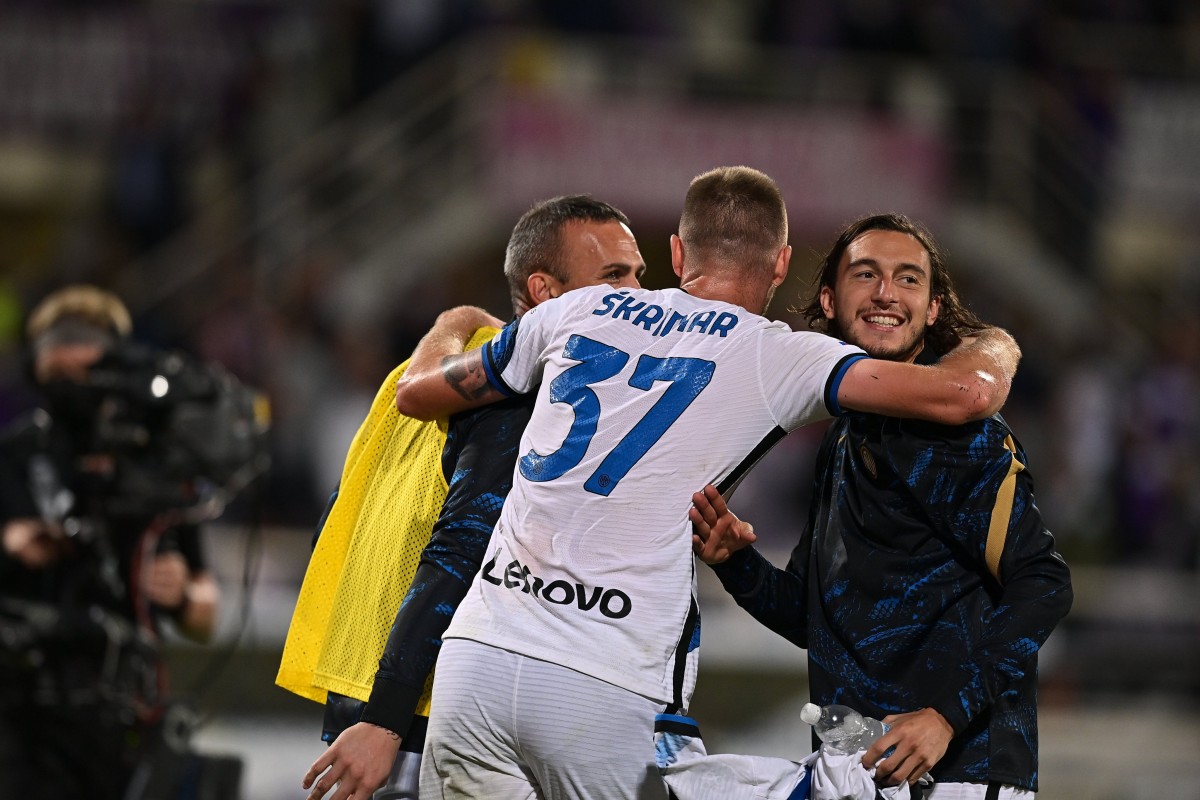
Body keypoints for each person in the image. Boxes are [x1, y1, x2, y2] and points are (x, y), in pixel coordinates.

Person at [392, 166, 1022, 800]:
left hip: (476, 657)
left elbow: (415, 392)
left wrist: (455, 319)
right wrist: (995, 342)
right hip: (606, 677)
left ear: (676, 253)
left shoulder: (574, 310)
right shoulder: (780, 355)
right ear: (781, 263)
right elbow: (967, 394)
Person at [690, 213, 1073, 799]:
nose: (886, 293)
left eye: (908, 278)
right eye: (866, 274)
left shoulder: (958, 436)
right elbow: (816, 621)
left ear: (933, 309)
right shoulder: (844, 435)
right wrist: (736, 564)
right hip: (856, 767)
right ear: (829, 299)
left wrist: (945, 716)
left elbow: (1043, 583)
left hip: (959, 773)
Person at [279, 195, 647, 800]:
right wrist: (387, 720)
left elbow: (338, 524)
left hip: (370, 691)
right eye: (614, 276)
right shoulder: (529, 394)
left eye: (637, 274)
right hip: (427, 717)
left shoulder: (425, 369)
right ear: (545, 291)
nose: (637, 295)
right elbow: (460, 548)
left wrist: (453, 320)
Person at [0, 285, 220, 800]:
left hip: (123, 710)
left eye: (89, 341)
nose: (73, 357)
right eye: (59, 341)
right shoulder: (13, 455)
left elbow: (205, 613)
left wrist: (182, 592)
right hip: (20, 705)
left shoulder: (155, 466)